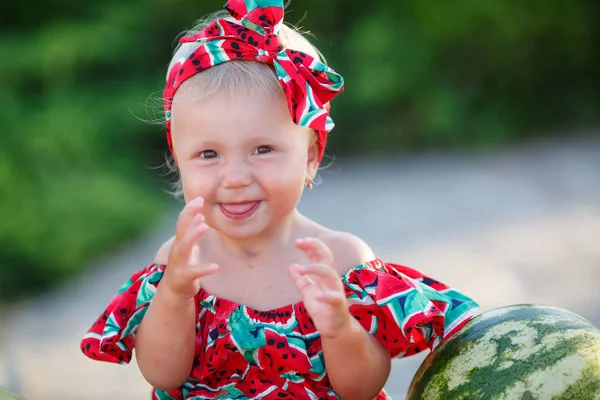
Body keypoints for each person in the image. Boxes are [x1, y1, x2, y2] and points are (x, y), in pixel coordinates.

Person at [80, 1, 479, 399]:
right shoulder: (181, 262)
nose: (235, 178)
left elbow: (363, 388)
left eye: (263, 149)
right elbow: (163, 374)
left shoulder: (340, 260)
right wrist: (175, 296)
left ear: (309, 157)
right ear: (178, 160)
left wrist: (339, 327)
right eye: (208, 154)